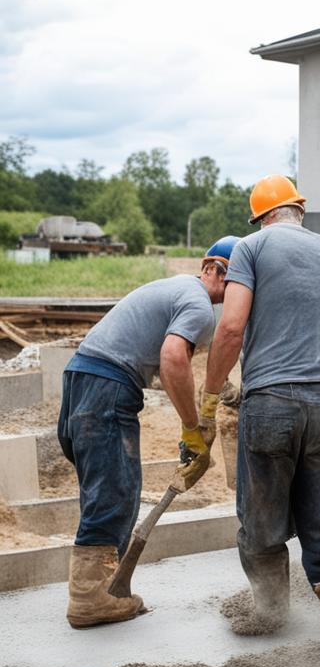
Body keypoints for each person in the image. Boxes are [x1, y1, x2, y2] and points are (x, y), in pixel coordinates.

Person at [201, 174, 320, 653]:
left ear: (262, 217)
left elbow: (230, 328)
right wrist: (311, 308)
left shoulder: (252, 248)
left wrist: (209, 394)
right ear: (298, 210)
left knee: (261, 519)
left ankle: (269, 609)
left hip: (269, 403)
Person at [58, 237, 237, 628]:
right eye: (239, 285)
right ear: (222, 274)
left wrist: (224, 394)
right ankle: (90, 599)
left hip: (81, 377)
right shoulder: (198, 306)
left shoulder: (175, 290)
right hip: (107, 386)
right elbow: (173, 360)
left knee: (105, 486)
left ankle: (103, 588)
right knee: (115, 488)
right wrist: (193, 428)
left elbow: (163, 364)